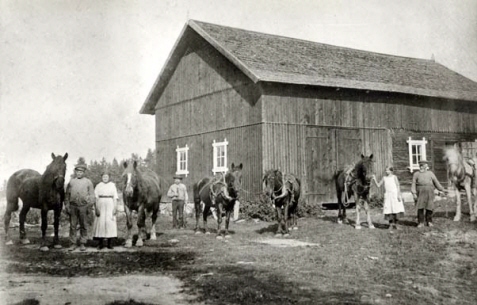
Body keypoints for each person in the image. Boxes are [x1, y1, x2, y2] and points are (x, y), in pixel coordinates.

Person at [64, 158, 95, 251]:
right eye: (77, 172)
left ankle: (82, 243)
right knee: (73, 225)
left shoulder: (88, 182)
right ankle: (73, 243)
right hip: (73, 206)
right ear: (75, 172)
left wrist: (89, 205)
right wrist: (66, 205)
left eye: (81, 172)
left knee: (83, 225)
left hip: (83, 206)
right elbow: (67, 195)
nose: (79, 173)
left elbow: (92, 195)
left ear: (84, 172)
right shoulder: (72, 182)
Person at [411, 159, 446, 228]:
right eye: (420, 165)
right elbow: (413, 184)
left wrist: (442, 189)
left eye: (423, 166)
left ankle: (429, 221)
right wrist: (414, 193)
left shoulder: (430, 173)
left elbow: (436, 182)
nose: (421, 167)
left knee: (429, 207)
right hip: (420, 192)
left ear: (426, 166)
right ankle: (420, 222)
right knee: (420, 207)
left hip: (429, 192)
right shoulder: (416, 174)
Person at [92, 170, 119, 250]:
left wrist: (115, 208)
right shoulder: (98, 185)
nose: (105, 178)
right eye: (103, 177)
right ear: (101, 177)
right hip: (101, 204)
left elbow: (115, 198)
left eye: (106, 177)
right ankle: (100, 243)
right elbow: (95, 198)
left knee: (110, 222)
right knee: (101, 222)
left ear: (109, 178)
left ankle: (109, 243)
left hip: (110, 204)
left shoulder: (112, 185)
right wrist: (96, 208)